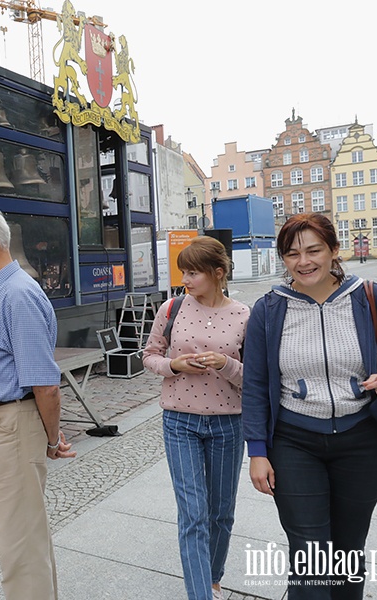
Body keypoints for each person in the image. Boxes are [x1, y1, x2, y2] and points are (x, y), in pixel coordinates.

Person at [243, 213, 377, 599]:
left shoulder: (369, 296)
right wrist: (257, 453)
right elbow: (255, 384)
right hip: (295, 443)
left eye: (314, 250)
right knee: (310, 556)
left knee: (349, 552)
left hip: (362, 440)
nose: (303, 261)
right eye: (292, 253)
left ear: (334, 251)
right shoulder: (268, 310)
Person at [0, 200, 76, 600]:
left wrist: (53, 438)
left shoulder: (17, 296)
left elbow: (45, 384)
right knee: (25, 535)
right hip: (2, 424)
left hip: (13, 425)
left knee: (20, 540)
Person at [142, 236, 249, 600]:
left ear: (218, 273)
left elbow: (254, 377)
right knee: (193, 514)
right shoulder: (171, 308)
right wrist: (174, 364)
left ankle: (213, 578)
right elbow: (150, 355)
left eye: (193, 273)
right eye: (183, 272)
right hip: (179, 423)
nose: (185, 279)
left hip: (228, 424)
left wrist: (226, 364)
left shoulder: (243, 315)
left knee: (221, 513)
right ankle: (200, 593)